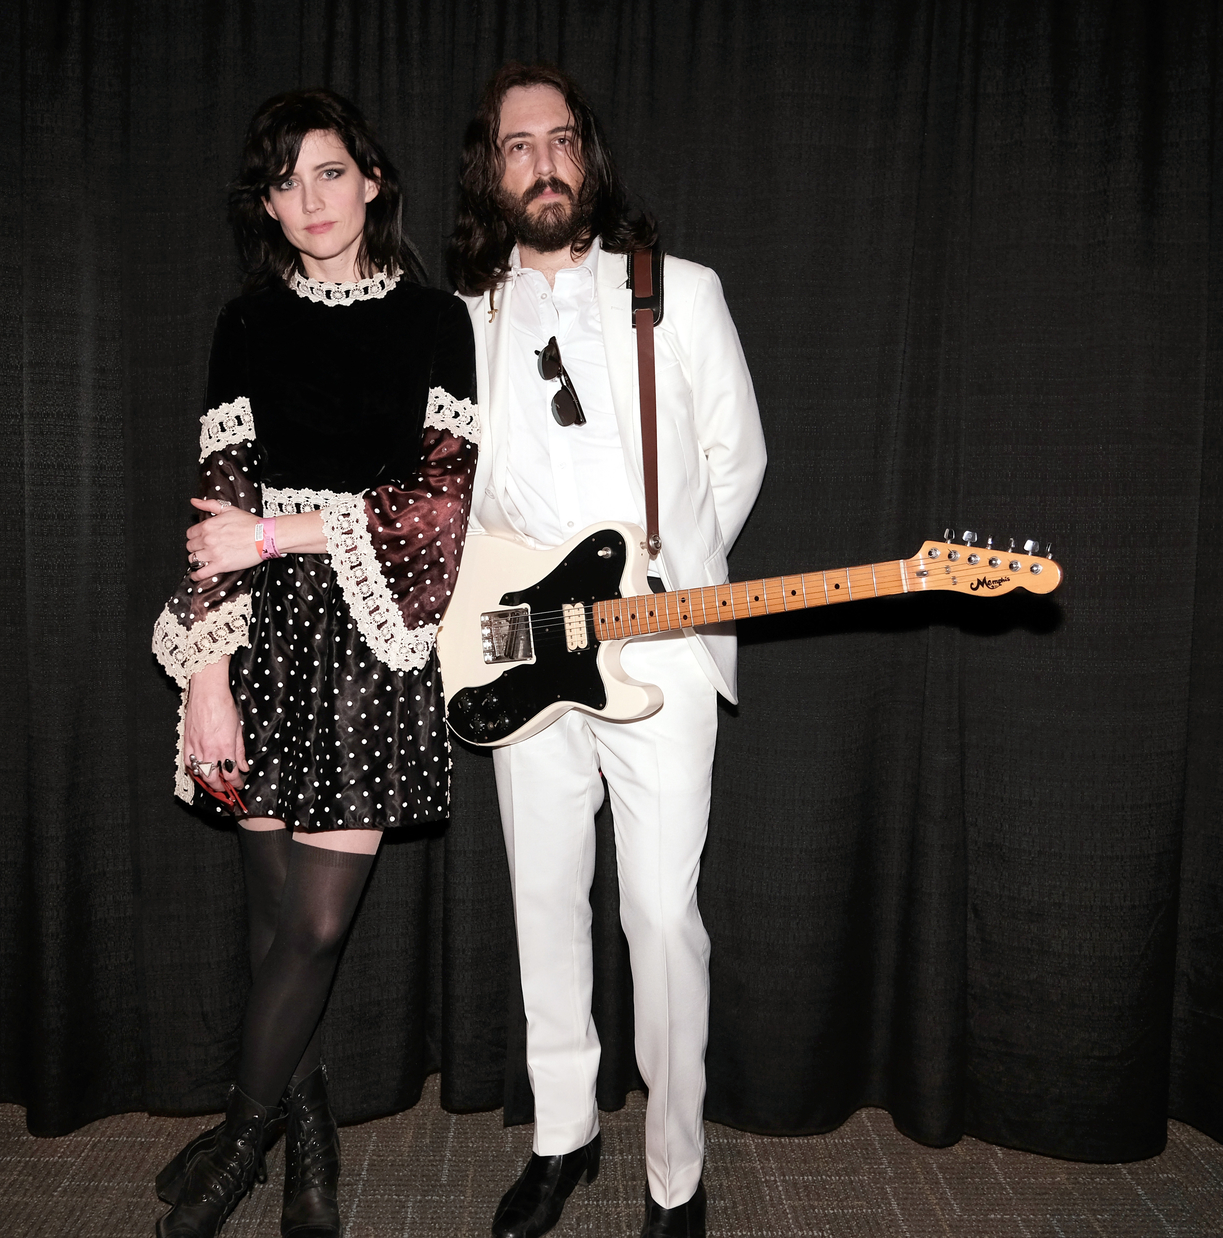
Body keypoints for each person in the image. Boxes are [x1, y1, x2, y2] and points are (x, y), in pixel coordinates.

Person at [150, 88, 477, 1238]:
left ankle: (243, 1138)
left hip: (376, 636)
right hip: (256, 635)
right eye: (285, 183)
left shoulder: (438, 321)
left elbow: (439, 506)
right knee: (270, 914)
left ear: (373, 179)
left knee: (318, 926)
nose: (309, 201)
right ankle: (309, 1135)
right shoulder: (246, 320)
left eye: (328, 173)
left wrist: (285, 533)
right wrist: (202, 671)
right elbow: (218, 501)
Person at [446, 64, 766, 1238]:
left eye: (562, 139)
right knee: (542, 895)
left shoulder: (677, 292)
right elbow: (455, 495)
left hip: (661, 648)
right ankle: (562, 1134)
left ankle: (674, 1173)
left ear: (589, 156)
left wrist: (663, 585)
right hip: (525, 648)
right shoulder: (466, 314)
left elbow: (738, 460)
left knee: (661, 915)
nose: (543, 161)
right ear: (494, 168)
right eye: (519, 145)